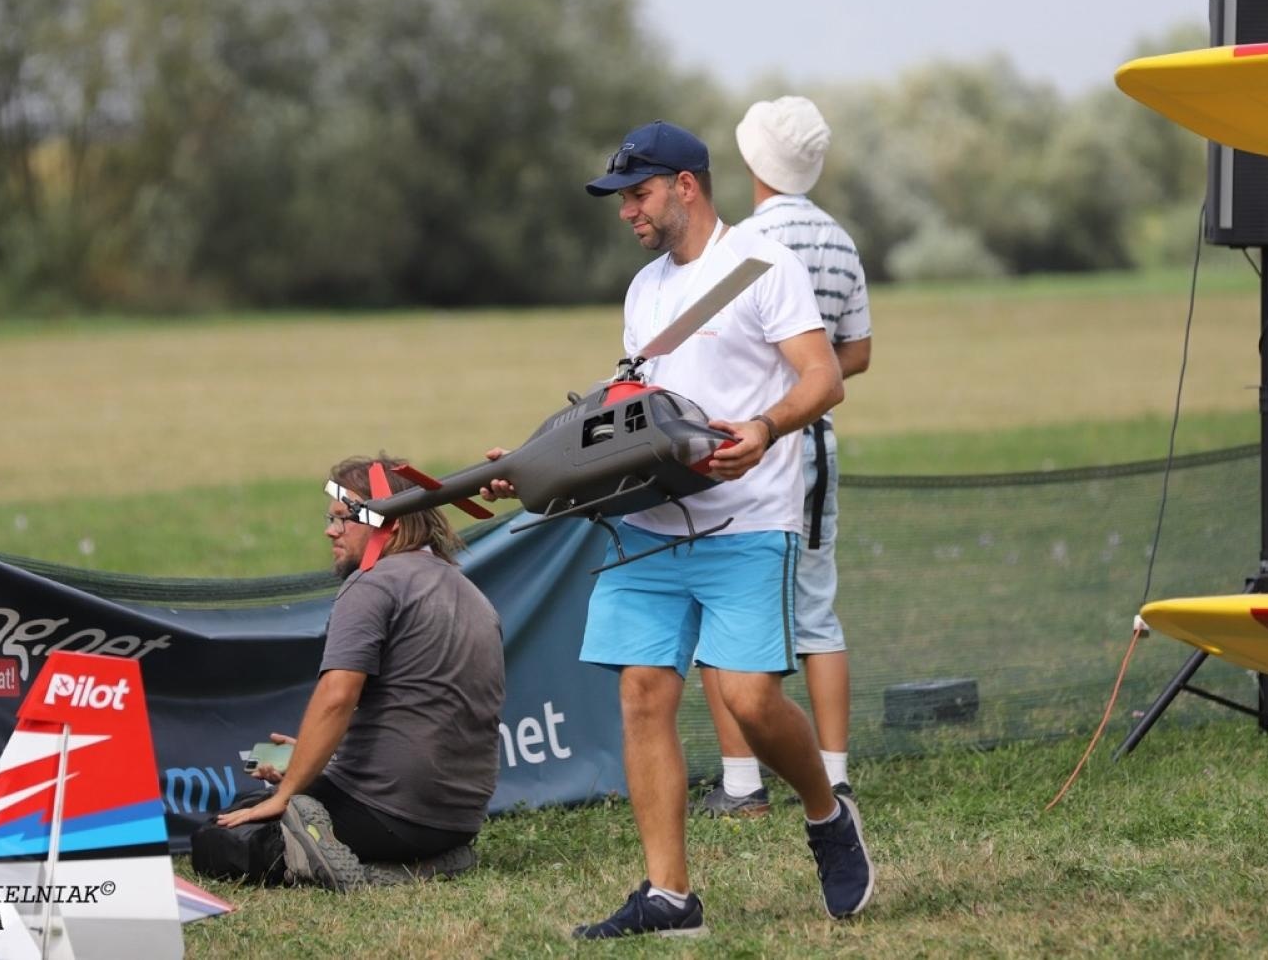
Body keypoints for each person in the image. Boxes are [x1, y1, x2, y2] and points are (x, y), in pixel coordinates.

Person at [488, 120, 875, 938]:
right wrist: (534, 459)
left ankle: (824, 812)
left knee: (749, 699)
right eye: (622, 198)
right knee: (641, 694)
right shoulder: (644, 291)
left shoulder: (766, 269)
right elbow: (629, 410)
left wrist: (765, 430)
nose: (628, 211)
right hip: (650, 526)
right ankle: (670, 898)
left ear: (686, 186)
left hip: (748, 521)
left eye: (638, 194)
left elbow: (825, 374)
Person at [698, 96, 873, 816]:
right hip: (815, 447)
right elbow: (855, 353)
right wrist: (810, 378)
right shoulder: (837, 239)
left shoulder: (740, 243)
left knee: (720, 609)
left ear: (751, 161)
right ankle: (832, 773)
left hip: (747, 449)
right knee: (819, 615)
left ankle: (743, 784)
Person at [218, 456, 506, 891]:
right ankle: (426, 862)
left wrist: (287, 791)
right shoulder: (472, 592)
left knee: (223, 837)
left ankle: (368, 873)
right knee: (270, 803)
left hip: (386, 814)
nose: (330, 531)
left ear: (382, 522)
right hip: (457, 822)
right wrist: (316, 761)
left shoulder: (372, 584)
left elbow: (338, 696)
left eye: (342, 520)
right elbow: (419, 711)